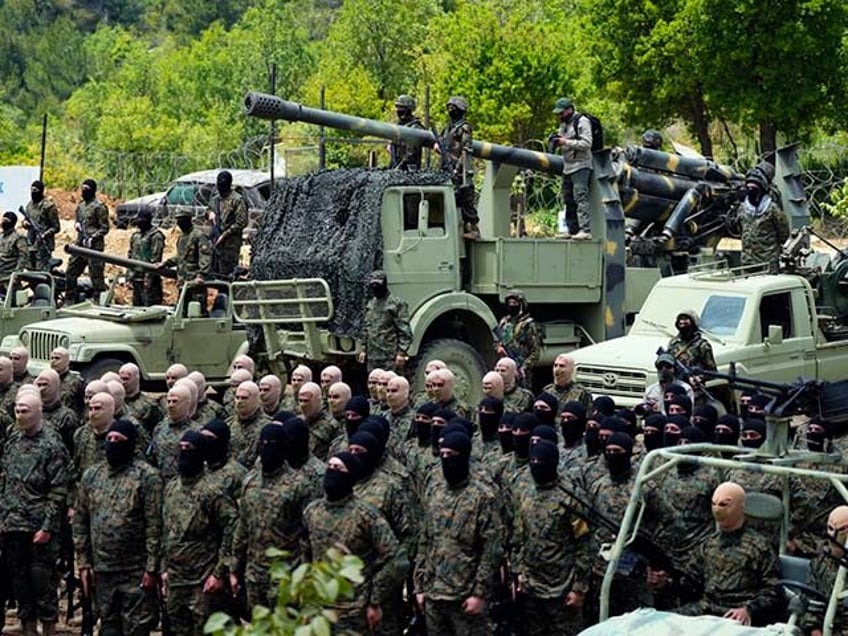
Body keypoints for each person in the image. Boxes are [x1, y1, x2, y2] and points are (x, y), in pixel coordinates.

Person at [73, 419, 163, 636]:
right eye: (109, 439)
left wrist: (152, 568)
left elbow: (155, 525)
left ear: (130, 444)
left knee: (136, 629)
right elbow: (81, 520)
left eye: (118, 440)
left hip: (135, 570)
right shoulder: (92, 476)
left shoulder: (147, 477)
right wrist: (84, 563)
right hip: (102, 571)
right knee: (108, 628)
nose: (112, 443)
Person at [303, 452, 402, 634]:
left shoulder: (366, 516)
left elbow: (396, 559)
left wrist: (375, 598)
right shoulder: (312, 512)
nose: (332, 471)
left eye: (338, 468)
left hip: (353, 610)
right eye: (329, 467)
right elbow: (305, 552)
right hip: (318, 607)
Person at [415, 431, 502, 635]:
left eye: (451, 455)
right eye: (442, 454)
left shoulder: (482, 496)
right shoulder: (434, 490)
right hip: (434, 593)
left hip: (466, 596)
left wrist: (480, 594)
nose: (446, 460)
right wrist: (419, 586)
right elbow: (425, 539)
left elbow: (492, 549)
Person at [1, 392, 70, 636]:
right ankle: (27, 627)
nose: (20, 416)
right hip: (13, 524)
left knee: (42, 580)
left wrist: (47, 526)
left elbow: (59, 489)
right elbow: (6, 479)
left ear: (38, 411)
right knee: (19, 580)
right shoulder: (13, 439)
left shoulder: (52, 444)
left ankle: (49, 627)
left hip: (38, 525)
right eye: (17, 412)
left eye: (25, 411)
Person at [162, 430, 238, 636]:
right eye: (182, 448)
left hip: (203, 582)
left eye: (190, 449)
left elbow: (232, 527)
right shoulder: (171, 488)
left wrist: (219, 572)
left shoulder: (213, 490)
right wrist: (164, 569)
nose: (185, 452)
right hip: (176, 579)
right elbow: (166, 530)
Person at [675, 481, 783, 626]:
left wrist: (748, 610)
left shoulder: (759, 546)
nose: (717, 509)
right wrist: (667, 582)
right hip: (706, 609)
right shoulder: (707, 544)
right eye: (714, 504)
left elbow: (774, 591)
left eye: (724, 504)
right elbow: (689, 581)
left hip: (736, 615)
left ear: (740, 506)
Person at [512, 440, 591, 635]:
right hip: (531, 587)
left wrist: (579, 588)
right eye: (533, 460)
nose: (536, 465)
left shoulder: (570, 496)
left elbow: (584, 544)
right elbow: (519, 536)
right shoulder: (526, 492)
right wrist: (518, 572)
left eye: (541, 461)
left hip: (562, 590)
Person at [730, 164, 790, 274]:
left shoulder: (773, 210)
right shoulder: (742, 209)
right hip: (748, 263)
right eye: (749, 188)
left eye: (754, 188)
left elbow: (784, 235)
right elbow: (737, 230)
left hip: (768, 265)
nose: (751, 190)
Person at [550, 98, 593, 240]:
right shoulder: (563, 125)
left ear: (569, 109)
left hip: (581, 165)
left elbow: (587, 143)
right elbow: (562, 140)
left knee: (580, 196)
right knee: (568, 199)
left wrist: (566, 142)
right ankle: (572, 229)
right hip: (567, 166)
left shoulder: (581, 121)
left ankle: (585, 230)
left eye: (561, 113)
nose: (559, 116)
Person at [803, 505, 848, 635]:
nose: (834, 535)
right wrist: (814, 630)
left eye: (843, 529)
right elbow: (810, 602)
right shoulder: (819, 563)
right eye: (830, 528)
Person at [439, 96, 479, 239]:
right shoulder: (447, 128)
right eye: (449, 108)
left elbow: (466, 150)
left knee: (466, 198)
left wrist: (457, 169)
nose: (450, 110)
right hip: (446, 167)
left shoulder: (464, 127)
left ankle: (473, 228)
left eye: (453, 108)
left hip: (459, 169)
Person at [358, 270, 412, 373]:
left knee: (392, 384)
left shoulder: (396, 304)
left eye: (378, 284)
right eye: (373, 285)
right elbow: (366, 328)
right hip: (372, 356)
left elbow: (404, 330)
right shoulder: (371, 304)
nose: (375, 288)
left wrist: (401, 353)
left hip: (390, 355)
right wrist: (363, 350)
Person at [66, 178, 110, 302]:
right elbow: (78, 220)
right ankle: (70, 299)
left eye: (86, 189)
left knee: (96, 276)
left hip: (94, 247)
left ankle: (99, 300)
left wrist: (93, 237)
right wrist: (77, 225)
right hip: (80, 244)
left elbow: (105, 228)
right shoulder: (81, 206)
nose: (83, 191)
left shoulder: (99, 207)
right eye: (82, 189)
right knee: (71, 271)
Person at [159, 208, 212, 308]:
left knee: (198, 312)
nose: (179, 223)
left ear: (188, 220)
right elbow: (180, 257)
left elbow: (205, 256)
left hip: (195, 283)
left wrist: (201, 275)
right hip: (183, 283)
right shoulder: (182, 238)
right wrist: (166, 263)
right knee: (182, 311)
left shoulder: (198, 235)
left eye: (181, 220)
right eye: (178, 220)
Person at [494, 290, 541, 387]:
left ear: (521, 305)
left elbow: (535, 352)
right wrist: (499, 348)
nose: (512, 305)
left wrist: (523, 368)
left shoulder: (528, 324)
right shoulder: (504, 322)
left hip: (522, 371)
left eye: (515, 303)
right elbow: (496, 340)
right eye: (510, 303)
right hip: (505, 369)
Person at [208, 170, 247, 279]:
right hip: (216, 242)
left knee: (227, 275)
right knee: (214, 274)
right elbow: (209, 210)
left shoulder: (237, 200)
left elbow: (241, 222)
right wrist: (210, 214)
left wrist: (225, 235)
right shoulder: (216, 199)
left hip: (230, 244)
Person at [127, 208, 165, 306]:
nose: (139, 223)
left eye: (142, 221)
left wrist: (149, 279)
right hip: (136, 279)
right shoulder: (135, 236)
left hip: (150, 282)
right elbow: (130, 256)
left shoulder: (156, 236)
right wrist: (129, 277)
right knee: (136, 307)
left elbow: (155, 258)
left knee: (150, 308)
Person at [667, 310, 717, 377]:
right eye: (681, 320)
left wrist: (700, 378)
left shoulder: (702, 345)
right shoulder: (673, 343)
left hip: (694, 383)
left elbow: (712, 371)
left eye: (686, 320)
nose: (682, 322)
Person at [23, 180, 60, 271]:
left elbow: (56, 227)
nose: (33, 193)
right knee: (30, 269)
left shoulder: (49, 206)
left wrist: (45, 234)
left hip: (44, 245)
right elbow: (25, 220)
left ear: (41, 191)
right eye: (32, 190)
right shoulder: (29, 205)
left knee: (42, 271)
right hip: (31, 242)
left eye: (35, 190)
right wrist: (25, 224)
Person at [389, 95, 424, 170]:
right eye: (398, 107)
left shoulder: (415, 128)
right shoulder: (398, 127)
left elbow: (411, 153)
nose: (399, 110)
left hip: (409, 171)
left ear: (409, 109)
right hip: (395, 168)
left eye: (402, 108)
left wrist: (399, 168)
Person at [0, 211, 29, 281]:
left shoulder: (18, 238)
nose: (3, 223)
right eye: (3, 220)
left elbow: (23, 257)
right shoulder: (1, 237)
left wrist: (17, 273)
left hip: (9, 276)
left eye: (6, 221)